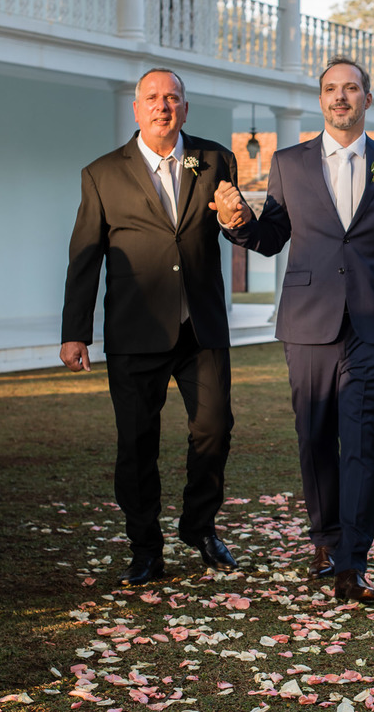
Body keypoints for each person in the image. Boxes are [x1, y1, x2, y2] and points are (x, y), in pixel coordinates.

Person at [214, 57, 374, 603]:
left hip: (370, 321)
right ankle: (326, 538)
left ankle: (352, 563)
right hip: (308, 319)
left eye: (351, 89)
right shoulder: (289, 163)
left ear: (367, 100)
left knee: (361, 437)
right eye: (331, 89)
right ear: (321, 100)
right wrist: (237, 224)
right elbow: (272, 237)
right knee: (313, 437)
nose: (341, 97)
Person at [61, 68, 239, 587]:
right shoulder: (101, 174)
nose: (164, 106)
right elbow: (85, 256)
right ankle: (145, 548)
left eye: (173, 98)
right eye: (153, 98)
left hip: (201, 327)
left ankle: (199, 526)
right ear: (136, 109)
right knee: (136, 443)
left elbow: (233, 224)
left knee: (215, 429)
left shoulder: (212, 159)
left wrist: (238, 220)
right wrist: (76, 331)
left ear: (185, 108)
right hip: (135, 331)